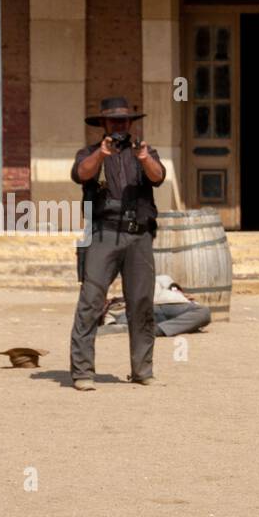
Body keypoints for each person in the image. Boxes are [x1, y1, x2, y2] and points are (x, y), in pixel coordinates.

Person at [69, 96, 166, 391]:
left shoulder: (145, 152)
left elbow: (159, 177)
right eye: (114, 121)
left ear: (131, 124)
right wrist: (101, 154)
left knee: (141, 304)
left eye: (124, 121)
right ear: (104, 124)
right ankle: (83, 372)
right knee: (91, 301)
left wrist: (144, 158)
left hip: (139, 236)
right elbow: (80, 175)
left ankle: (142, 369)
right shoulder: (89, 153)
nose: (120, 126)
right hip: (103, 234)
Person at [102, 276, 212, 338]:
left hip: (171, 307)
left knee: (204, 312)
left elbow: (169, 283)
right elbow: (109, 326)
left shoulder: (160, 280)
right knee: (125, 321)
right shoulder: (110, 311)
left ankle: (157, 330)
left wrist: (179, 294)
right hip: (138, 312)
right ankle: (159, 328)